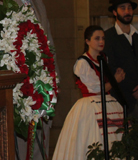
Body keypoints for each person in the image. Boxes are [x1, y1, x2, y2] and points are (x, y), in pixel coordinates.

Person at [0, 0, 56, 160]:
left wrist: (52, 75)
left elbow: (48, 39)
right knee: (21, 146)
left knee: (41, 143)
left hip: (43, 84)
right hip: (18, 89)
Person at [52, 25, 125, 160]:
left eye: (103, 38)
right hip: (90, 106)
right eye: (97, 38)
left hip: (108, 103)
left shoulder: (103, 58)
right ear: (87, 41)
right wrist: (115, 80)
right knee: (91, 139)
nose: (101, 41)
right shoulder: (82, 63)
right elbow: (96, 88)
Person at [104, 0, 138, 122]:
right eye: (123, 8)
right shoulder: (108, 38)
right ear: (115, 12)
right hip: (122, 102)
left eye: (130, 8)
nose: (127, 11)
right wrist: (134, 90)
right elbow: (110, 69)